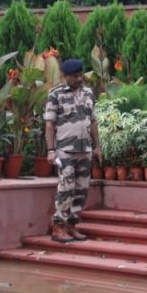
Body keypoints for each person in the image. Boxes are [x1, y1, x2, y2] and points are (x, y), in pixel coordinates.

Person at [44, 58, 101, 242]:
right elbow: (49, 124)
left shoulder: (88, 93)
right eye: (75, 76)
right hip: (65, 150)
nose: (79, 78)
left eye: (80, 75)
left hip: (85, 150)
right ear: (65, 76)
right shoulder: (56, 94)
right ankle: (58, 227)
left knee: (81, 190)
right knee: (66, 188)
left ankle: (72, 225)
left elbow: (93, 121)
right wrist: (51, 150)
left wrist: (97, 146)